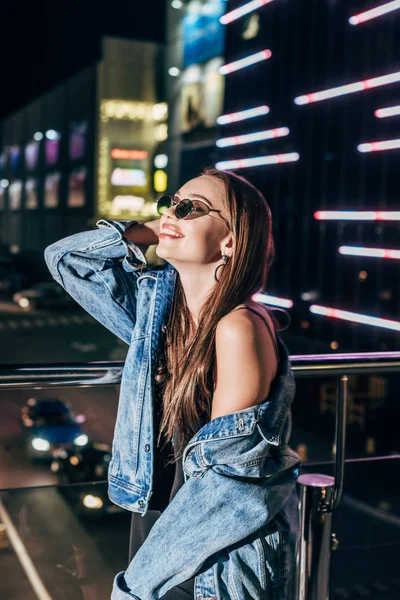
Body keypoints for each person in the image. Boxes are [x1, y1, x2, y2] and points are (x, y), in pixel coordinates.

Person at [44, 167, 301, 600]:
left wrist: (135, 587)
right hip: (163, 532)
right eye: (170, 203)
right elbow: (66, 259)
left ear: (231, 241)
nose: (170, 214)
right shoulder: (163, 319)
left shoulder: (239, 326)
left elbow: (228, 486)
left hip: (219, 558)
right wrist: (149, 228)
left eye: (191, 208)